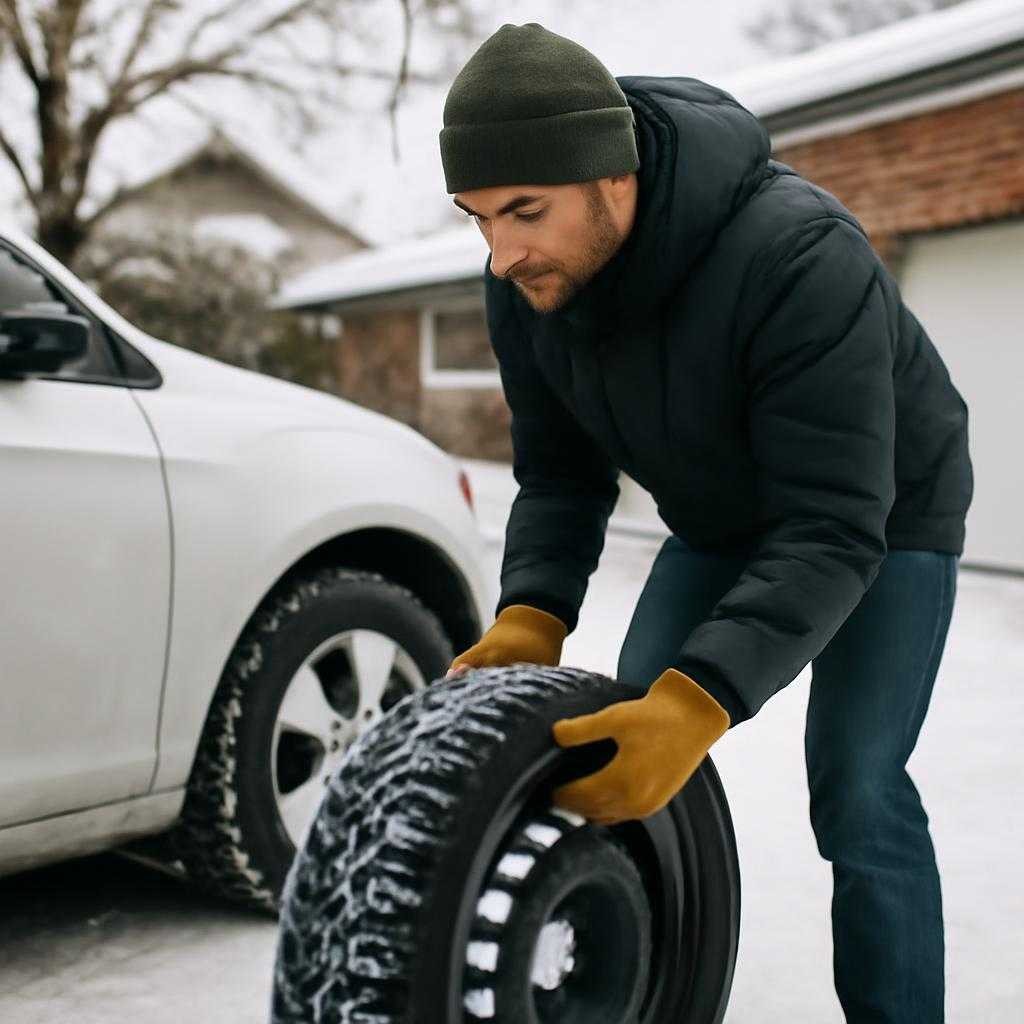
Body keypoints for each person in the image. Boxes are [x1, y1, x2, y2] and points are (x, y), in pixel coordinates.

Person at [441, 22, 972, 1023]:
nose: (502, 252)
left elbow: (832, 522)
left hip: (885, 514)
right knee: (622, 752)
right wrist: (531, 612)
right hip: (722, 514)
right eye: (475, 218)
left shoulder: (800, 255)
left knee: (856, 789)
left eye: (523, 210)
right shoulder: (528, 287)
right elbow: (559, 475)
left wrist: (705, 696)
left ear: (611, 177)